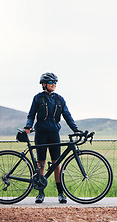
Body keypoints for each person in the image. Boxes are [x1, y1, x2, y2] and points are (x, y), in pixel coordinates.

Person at [24, 72, 81, 204]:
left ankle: (61, 193)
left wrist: (76, 129)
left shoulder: (59, 99)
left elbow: (67, 115)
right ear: (44, 85)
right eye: (51, 82)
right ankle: (40, 193)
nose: (54, 84)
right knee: (41, 163)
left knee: (57, 164)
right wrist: (28, 126)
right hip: (41, 134)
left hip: (54, 134)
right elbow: (31, 115)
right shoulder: (38, 98)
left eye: (55, 82)